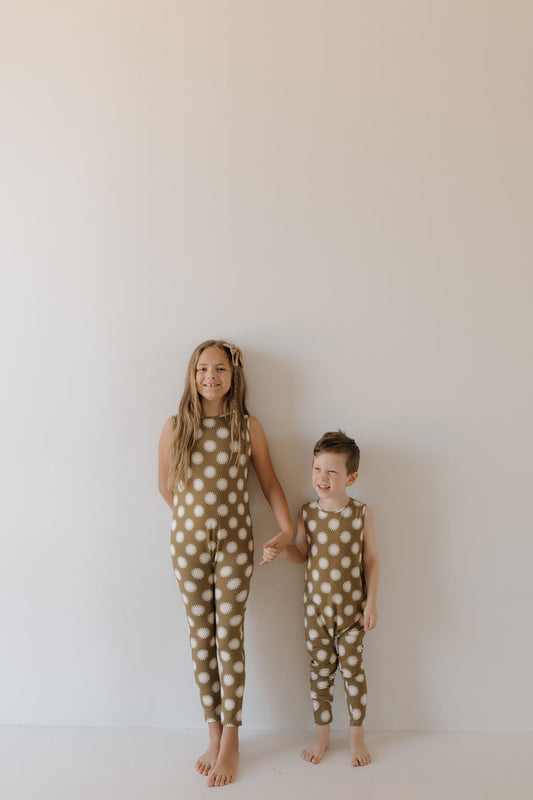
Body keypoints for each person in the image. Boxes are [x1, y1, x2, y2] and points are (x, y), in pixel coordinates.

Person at [158, 339, 292, 788]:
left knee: (229, 636)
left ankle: (232, 738)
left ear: (234, 376)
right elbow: (165, 487)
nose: (210, 376)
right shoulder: (176, 426)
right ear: (192, 375)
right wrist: (195, 521)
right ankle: (212, 734)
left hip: (235, 545)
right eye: (202, 369)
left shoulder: (248, 427)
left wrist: (287, 529)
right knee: (201, 637)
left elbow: (269, 483)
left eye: (219, 368)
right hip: (188, 547)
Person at [263, 430, 379, 767]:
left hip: (352, 612)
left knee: (354, 673)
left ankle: (357, 736)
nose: (321, 478)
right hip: (316, 613)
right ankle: (322, 734)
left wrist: (371, 603)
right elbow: (301, 554)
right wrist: (279, 551)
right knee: (320, 673)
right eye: (317, 469)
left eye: (332, 471)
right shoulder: (307, 513)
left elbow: (371, 561)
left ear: (351, 478)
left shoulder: (362, 514)